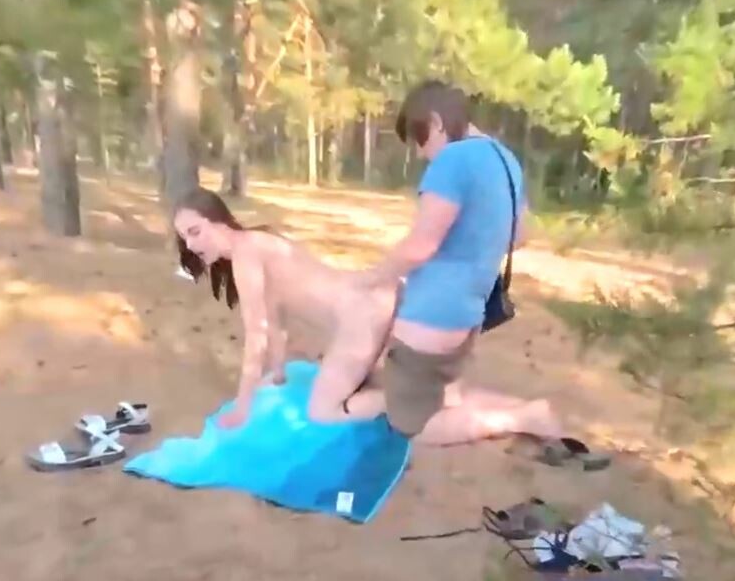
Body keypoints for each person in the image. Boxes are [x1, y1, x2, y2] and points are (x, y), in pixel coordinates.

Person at [344, 81, 571, 448]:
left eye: (420, 141)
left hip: (431, 313)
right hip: (470, 311)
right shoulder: (505, 159)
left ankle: (522, 418)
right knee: (446, 396)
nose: (422, 154)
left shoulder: (452, 160)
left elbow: (420, 247)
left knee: (410, 424)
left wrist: (370, 279)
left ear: (435, 122)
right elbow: (519, 236)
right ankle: (533, 411)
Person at [172, 186, 397, 429]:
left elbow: (256, 335)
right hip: (371, 302)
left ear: (219, 221)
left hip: (362, 316)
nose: (190, 245)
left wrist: (243, 407)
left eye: (195, 232)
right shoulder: (257, 242)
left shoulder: (245, 253)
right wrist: (278, 375)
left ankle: (408, 401)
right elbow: (273, 322)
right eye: (185, 237)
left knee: (323, 411)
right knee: (363, 384)